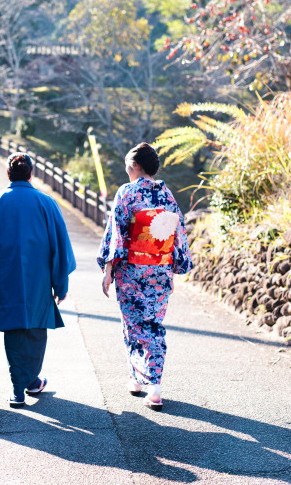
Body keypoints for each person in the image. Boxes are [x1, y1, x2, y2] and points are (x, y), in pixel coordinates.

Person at [0, 153, 76, 408]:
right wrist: (60, 284)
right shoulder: (46, 203)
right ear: (31, 174)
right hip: (39, 280)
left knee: (13, 330)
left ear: (8, 174)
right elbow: (59, 247)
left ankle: (19, 388)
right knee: (35, 329)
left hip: (6, 278)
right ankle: (28, 381)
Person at [97, 143, 193, 411]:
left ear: (136, 166)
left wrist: (108, 270)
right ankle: (140, 380)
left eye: (128, 163)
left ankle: (153, 387)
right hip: (159, 272)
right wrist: (173, 267)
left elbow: (115, 233)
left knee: (136, 327)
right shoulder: (166, 194)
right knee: (152, 324)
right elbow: (178, 231)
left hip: (132, 272)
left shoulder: (127, 192)